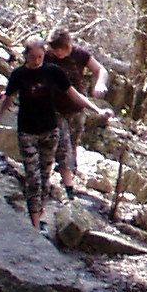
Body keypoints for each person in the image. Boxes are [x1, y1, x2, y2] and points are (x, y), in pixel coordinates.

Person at [0, 37, 105, 232]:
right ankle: (35, 224)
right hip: (27, 132)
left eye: (40, 57)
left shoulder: (52, 72)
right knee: (33, 178)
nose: (37, 61)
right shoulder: (19, 75)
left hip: (49, 132)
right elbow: (7, 98)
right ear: (25, 56)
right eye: (33, 57)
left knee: (44, 178)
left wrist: (96, 110)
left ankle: (40, 216)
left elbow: (73, 94)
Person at [45, 28, 107, 193]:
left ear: (68, 46)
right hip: (54, 108)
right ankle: (67, 186)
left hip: (77, 106)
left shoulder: (80, 54)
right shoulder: (46, 55)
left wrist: (100, 83)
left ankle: (69, 178)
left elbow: (101, 70)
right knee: (62, 144)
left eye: (61, 51)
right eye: (54, 50)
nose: (58, 54)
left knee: (72, 143)